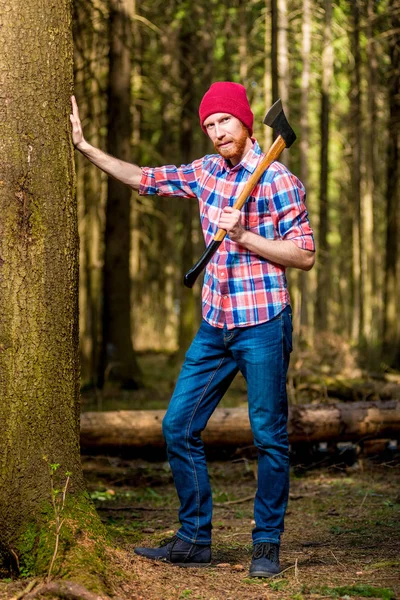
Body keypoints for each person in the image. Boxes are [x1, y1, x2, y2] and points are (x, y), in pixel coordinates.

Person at [70, 81, 315, 577]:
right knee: (178, 426)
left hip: (263, 322)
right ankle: (194, 538)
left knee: (269, 436)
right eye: (208, 124)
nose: (217, 130)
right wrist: (85, 147)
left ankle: (266, 543)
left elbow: (305, 255)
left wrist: (245, 234)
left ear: (246, 122)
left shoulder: (278, 179)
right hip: (215, 323)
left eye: (224, 120)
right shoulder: (203, 172)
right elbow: (144, 178)